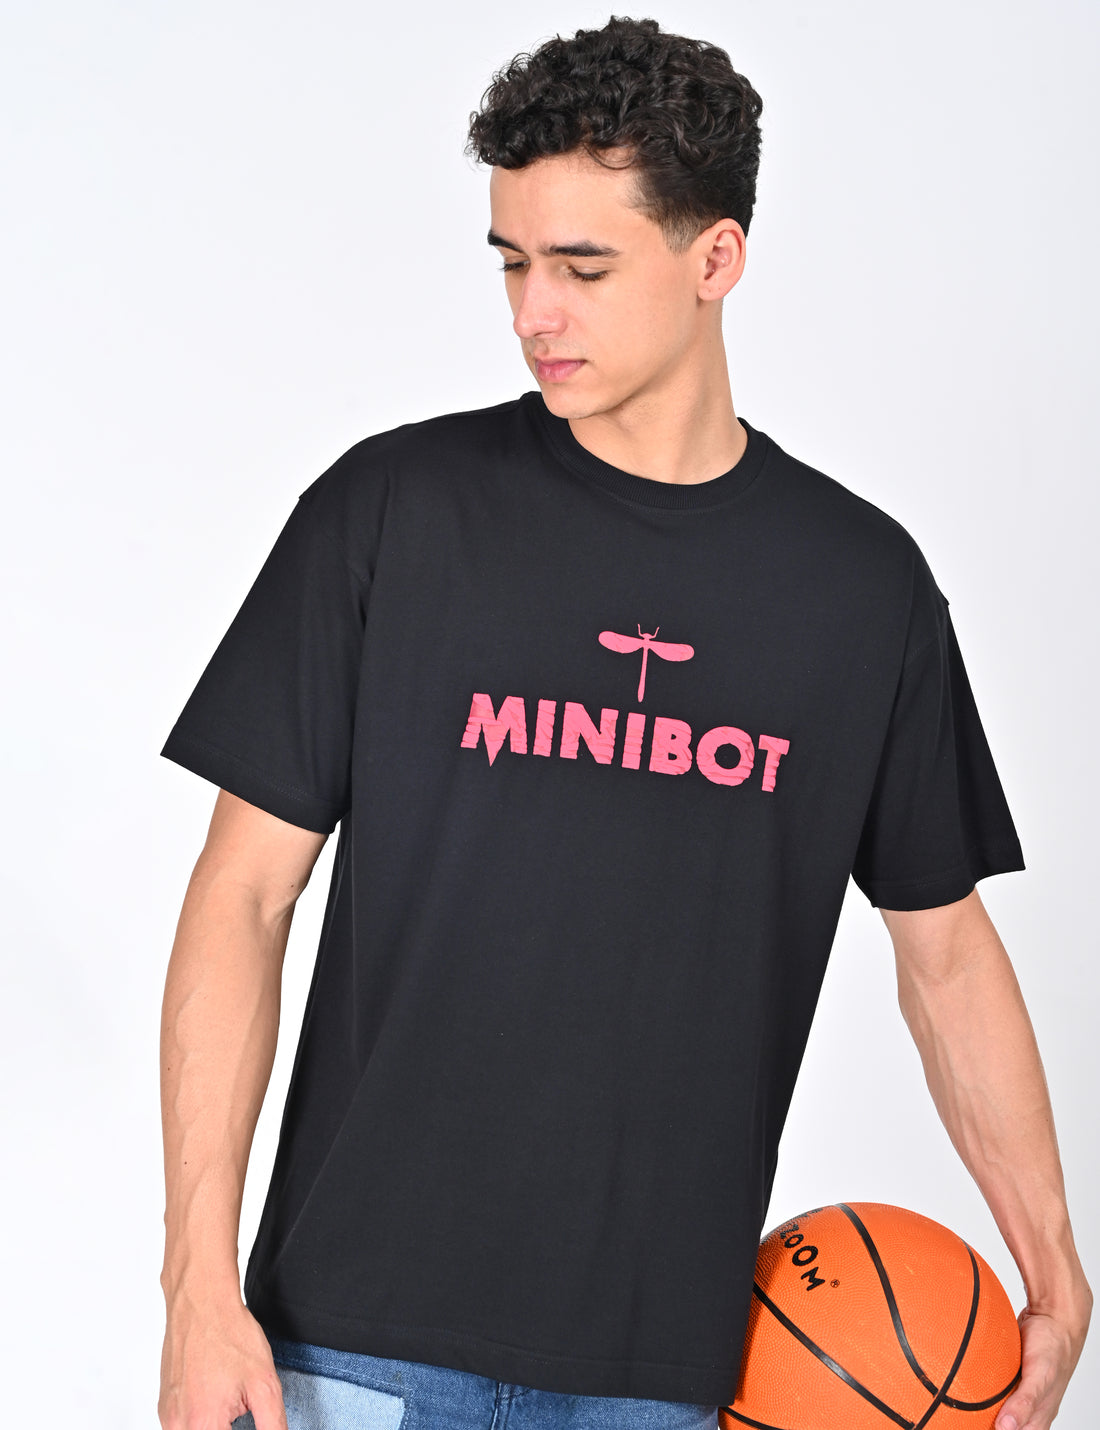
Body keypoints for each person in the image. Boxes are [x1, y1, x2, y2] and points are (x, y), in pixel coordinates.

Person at [156, 16, 1090, 1430]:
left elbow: (947, 956)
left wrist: (1055, 1265)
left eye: (583, 269)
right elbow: (242, 896)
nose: (535, 311)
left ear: (716, 259)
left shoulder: (860, 589)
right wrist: (194, 1286)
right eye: (513, 262)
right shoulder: (393, 513)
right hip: (347, 1348)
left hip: (664, 1378)